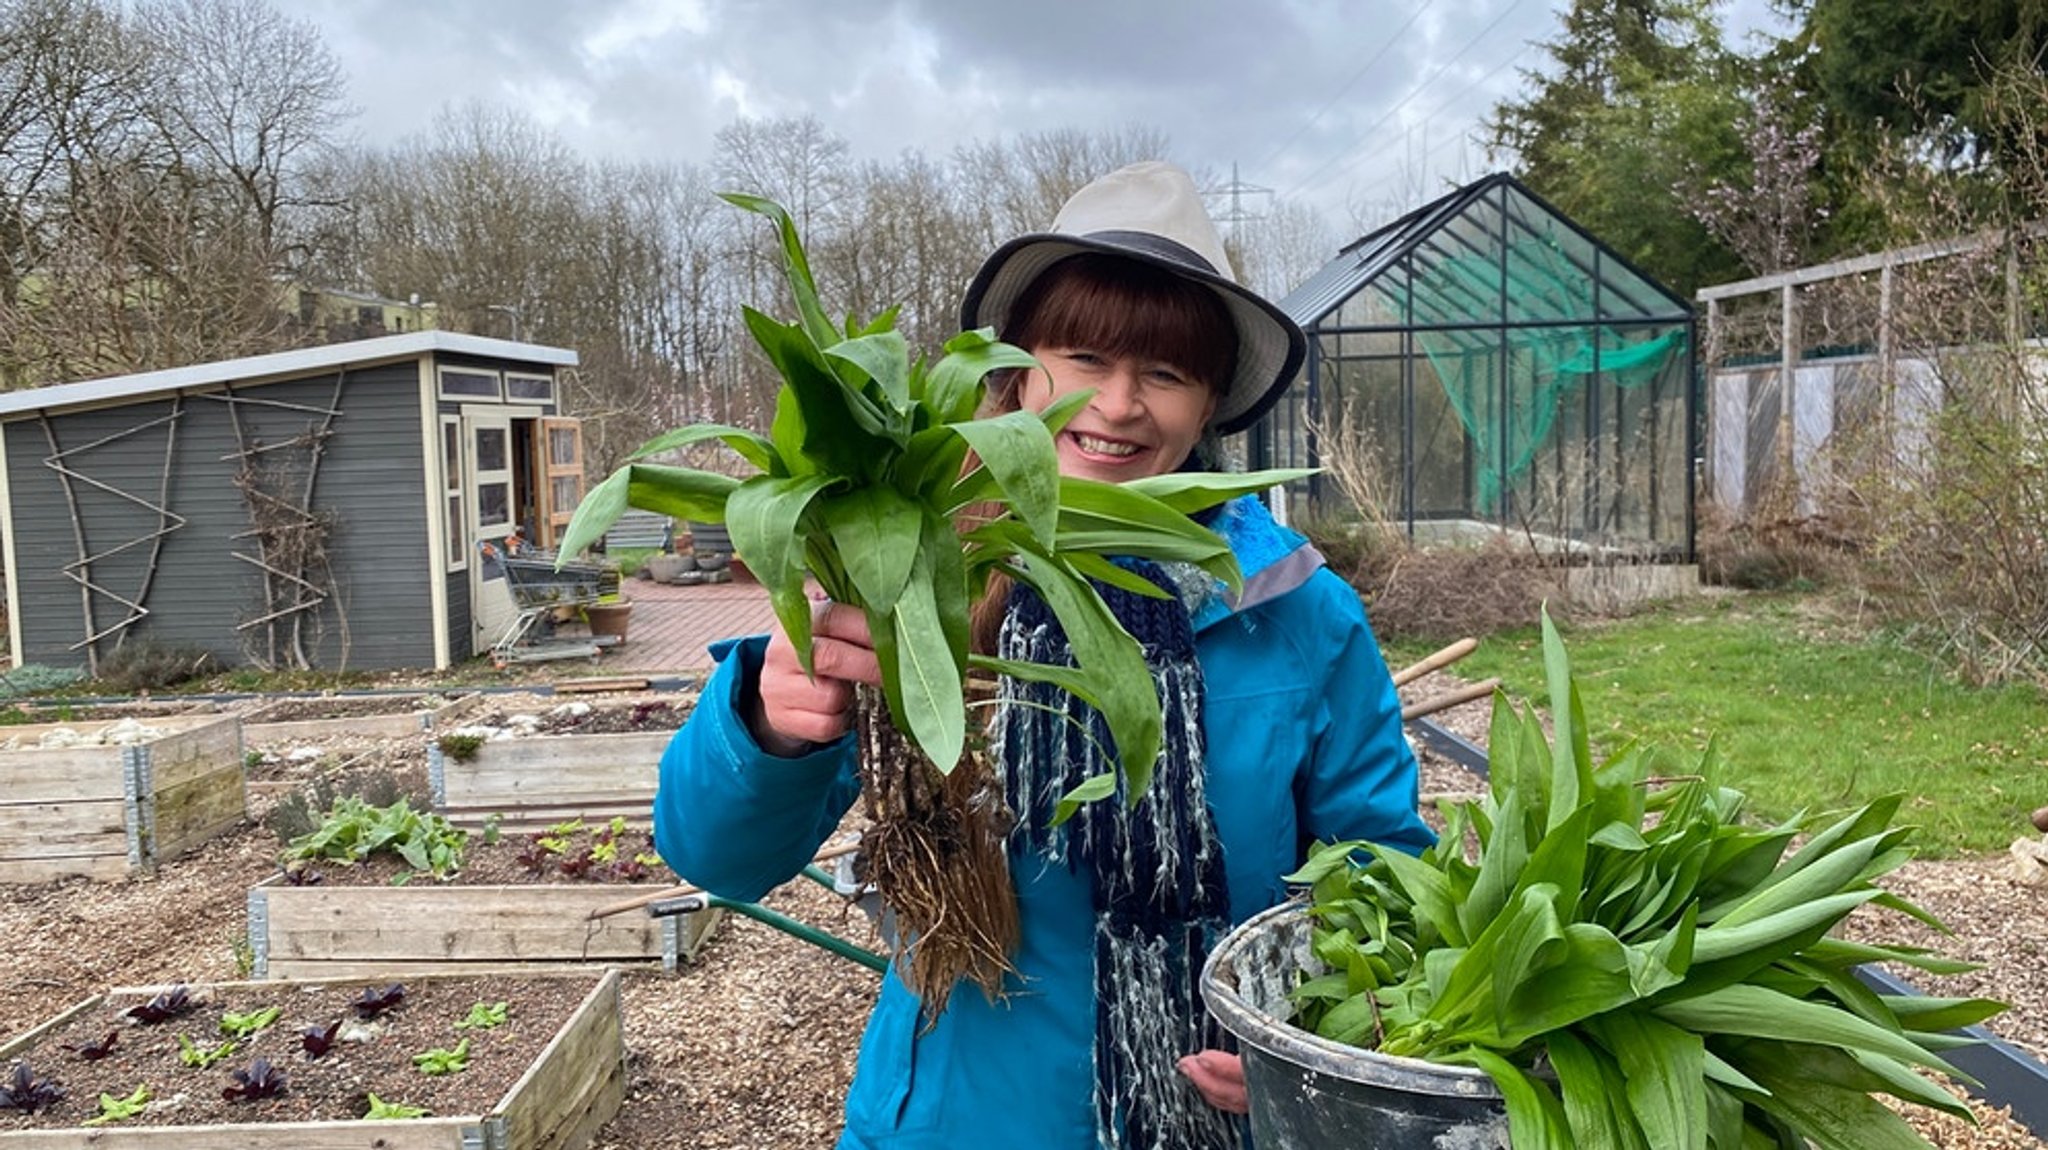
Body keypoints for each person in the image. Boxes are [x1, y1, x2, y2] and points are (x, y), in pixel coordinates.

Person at [653, 161, 1432, 1150]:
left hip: (1211, 1115)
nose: (1117, 405)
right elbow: (716, 857)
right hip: (958, 1119)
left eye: (1164, 371)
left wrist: (1305, 1025)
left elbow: (1377, 863)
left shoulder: (1296, 610)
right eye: (1083, 357)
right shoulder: (912, 569)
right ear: (1018, 369)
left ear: (1206, 405)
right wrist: (766, 730)